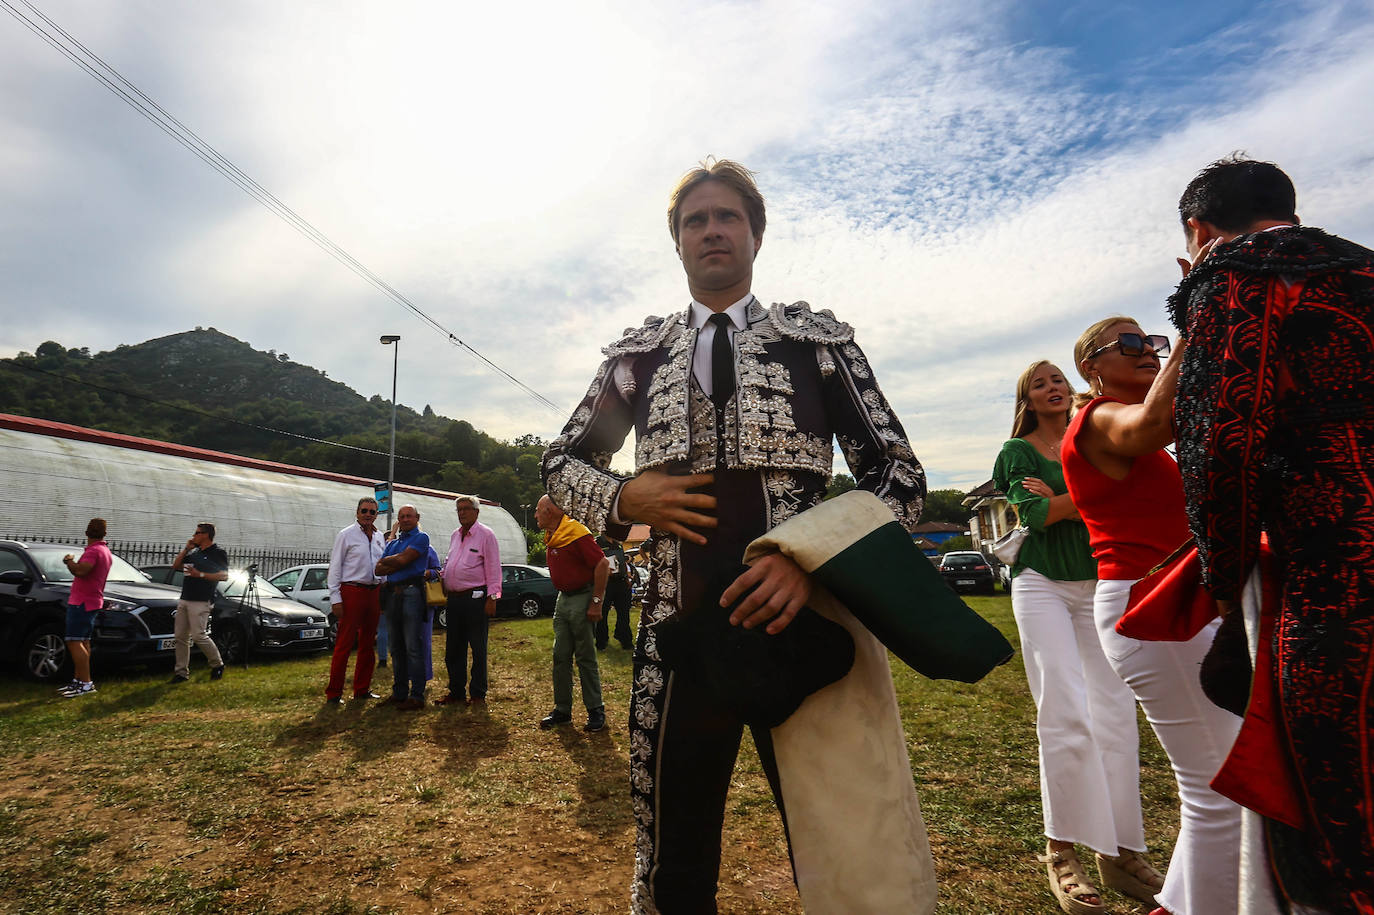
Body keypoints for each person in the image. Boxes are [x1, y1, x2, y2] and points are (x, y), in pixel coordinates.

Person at [541, 159, 928, 913]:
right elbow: (561, 462)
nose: (711, 231)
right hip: (675, 634)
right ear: (677, 243)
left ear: (755, 234)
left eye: (726, 218)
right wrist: (625, 495)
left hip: (803, 619)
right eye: (695, 221)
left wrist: (811, 562)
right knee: (676, 858)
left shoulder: (818, 345)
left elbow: (899, 476)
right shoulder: (637, 358)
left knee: (846, 842)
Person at [1169, 155, 1374, 913]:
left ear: (1198, 228)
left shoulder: (1235, 278)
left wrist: (1225, 593)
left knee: (1336, 814)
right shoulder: (1363, 270)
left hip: (1333, 575)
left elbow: (1222, 446)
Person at [1061, 316, 1244, 915]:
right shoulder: (1095, 420)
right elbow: (1154, 422)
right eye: (1131, 345)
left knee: (1215, 787)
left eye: (1154, 343)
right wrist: (1195, 328)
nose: (1149, 353)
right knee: (1221, 790)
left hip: (1171, 606)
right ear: (1093, 369)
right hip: (1150, 611)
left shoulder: (1136, 434)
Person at [993, 362, 1161, 914]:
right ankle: (1060, 850)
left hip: (1100, 583)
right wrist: (1080, 496)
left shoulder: (1095, 430)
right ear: (1028, 398)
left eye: (1057, 379)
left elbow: (1107, 500)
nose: (1052, 388)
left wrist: (1065, 500)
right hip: (1041, 586)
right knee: (1063, 708)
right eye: (1039, 383)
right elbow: (1037, 515)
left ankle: (1120, 852)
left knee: (1115, 712)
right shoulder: (1016, 453)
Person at [534, 494, 607, 732]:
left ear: (550, 511)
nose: (535, 515)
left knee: (585, 656)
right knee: (560, 655)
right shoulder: (553, 537)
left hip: (582, 597)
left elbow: (603, 564)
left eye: (538, 510)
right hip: (563, 599)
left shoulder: (576, 532)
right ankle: (562, 710)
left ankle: (596, 710)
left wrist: (596, 601)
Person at [435, 495, 502, 706]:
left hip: (476, 598)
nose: (462, 512)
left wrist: (493, 598)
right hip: (454, 599)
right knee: (454, 648)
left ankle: (478, 693)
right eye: (459, 509)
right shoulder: (456, 535)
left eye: (466, 508)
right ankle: (456, 692)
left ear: (476, 511)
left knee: (477, 647)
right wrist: (442, 576)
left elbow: (493, 568)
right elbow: (450, 562)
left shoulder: (486, 535)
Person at [324, 497, 386, 704]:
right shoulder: (346, 535)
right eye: (364, 511)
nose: (368, 515)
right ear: (357, 512)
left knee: (368, 643)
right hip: (352, 591)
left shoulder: (379, 537)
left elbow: (381, 566)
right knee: (344, 643)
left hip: (373, 592)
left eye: (372, 512)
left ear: (377, 514)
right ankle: (334, 693)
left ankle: (362, 689)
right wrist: (336, 598)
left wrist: (384, 590)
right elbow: (335, 567)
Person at [374, 504, 430, 710]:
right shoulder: (394, 543)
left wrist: (392, 561)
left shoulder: (421, 538)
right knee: (396, 647)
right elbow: (378, 569)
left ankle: (417, 695)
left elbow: (405, 559)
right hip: (392, 595)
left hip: (411, 593)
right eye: (402, 516)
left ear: (417, 518)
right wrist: (396, 560)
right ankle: (399, 693)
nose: (405, 519)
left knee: (412, 645)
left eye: (409, 516)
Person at [58, 517, 113, 698]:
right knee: (83, 642)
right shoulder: (104, 551)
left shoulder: (93, 551)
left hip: (82, 602)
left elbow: (81, 571)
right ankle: (79, 681)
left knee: (74, 641)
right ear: (105, 533)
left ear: (87, 532)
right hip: (92, 601)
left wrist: (69, 561)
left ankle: (86, 683)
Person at [168, 522, 228, 683]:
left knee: (198, 635)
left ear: (206, 535)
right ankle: (181, 673)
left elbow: (223, 576)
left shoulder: (218, 553)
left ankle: (217, 664)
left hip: (202, 600)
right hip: (186, 597)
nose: (194, 535)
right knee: (180, 636)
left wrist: (200, 574)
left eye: (197, 533)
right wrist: (186, 549)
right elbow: (176, 566)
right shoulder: (194, 553)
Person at [594, 533, 633, 651]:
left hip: (621, 583)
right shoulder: (597, 543)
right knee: (602, 614)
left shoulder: (618, 544)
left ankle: (625, 640)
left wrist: (627, 578)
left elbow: (622, 562)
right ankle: (601, 642)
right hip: (605, 582)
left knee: (624, 613)